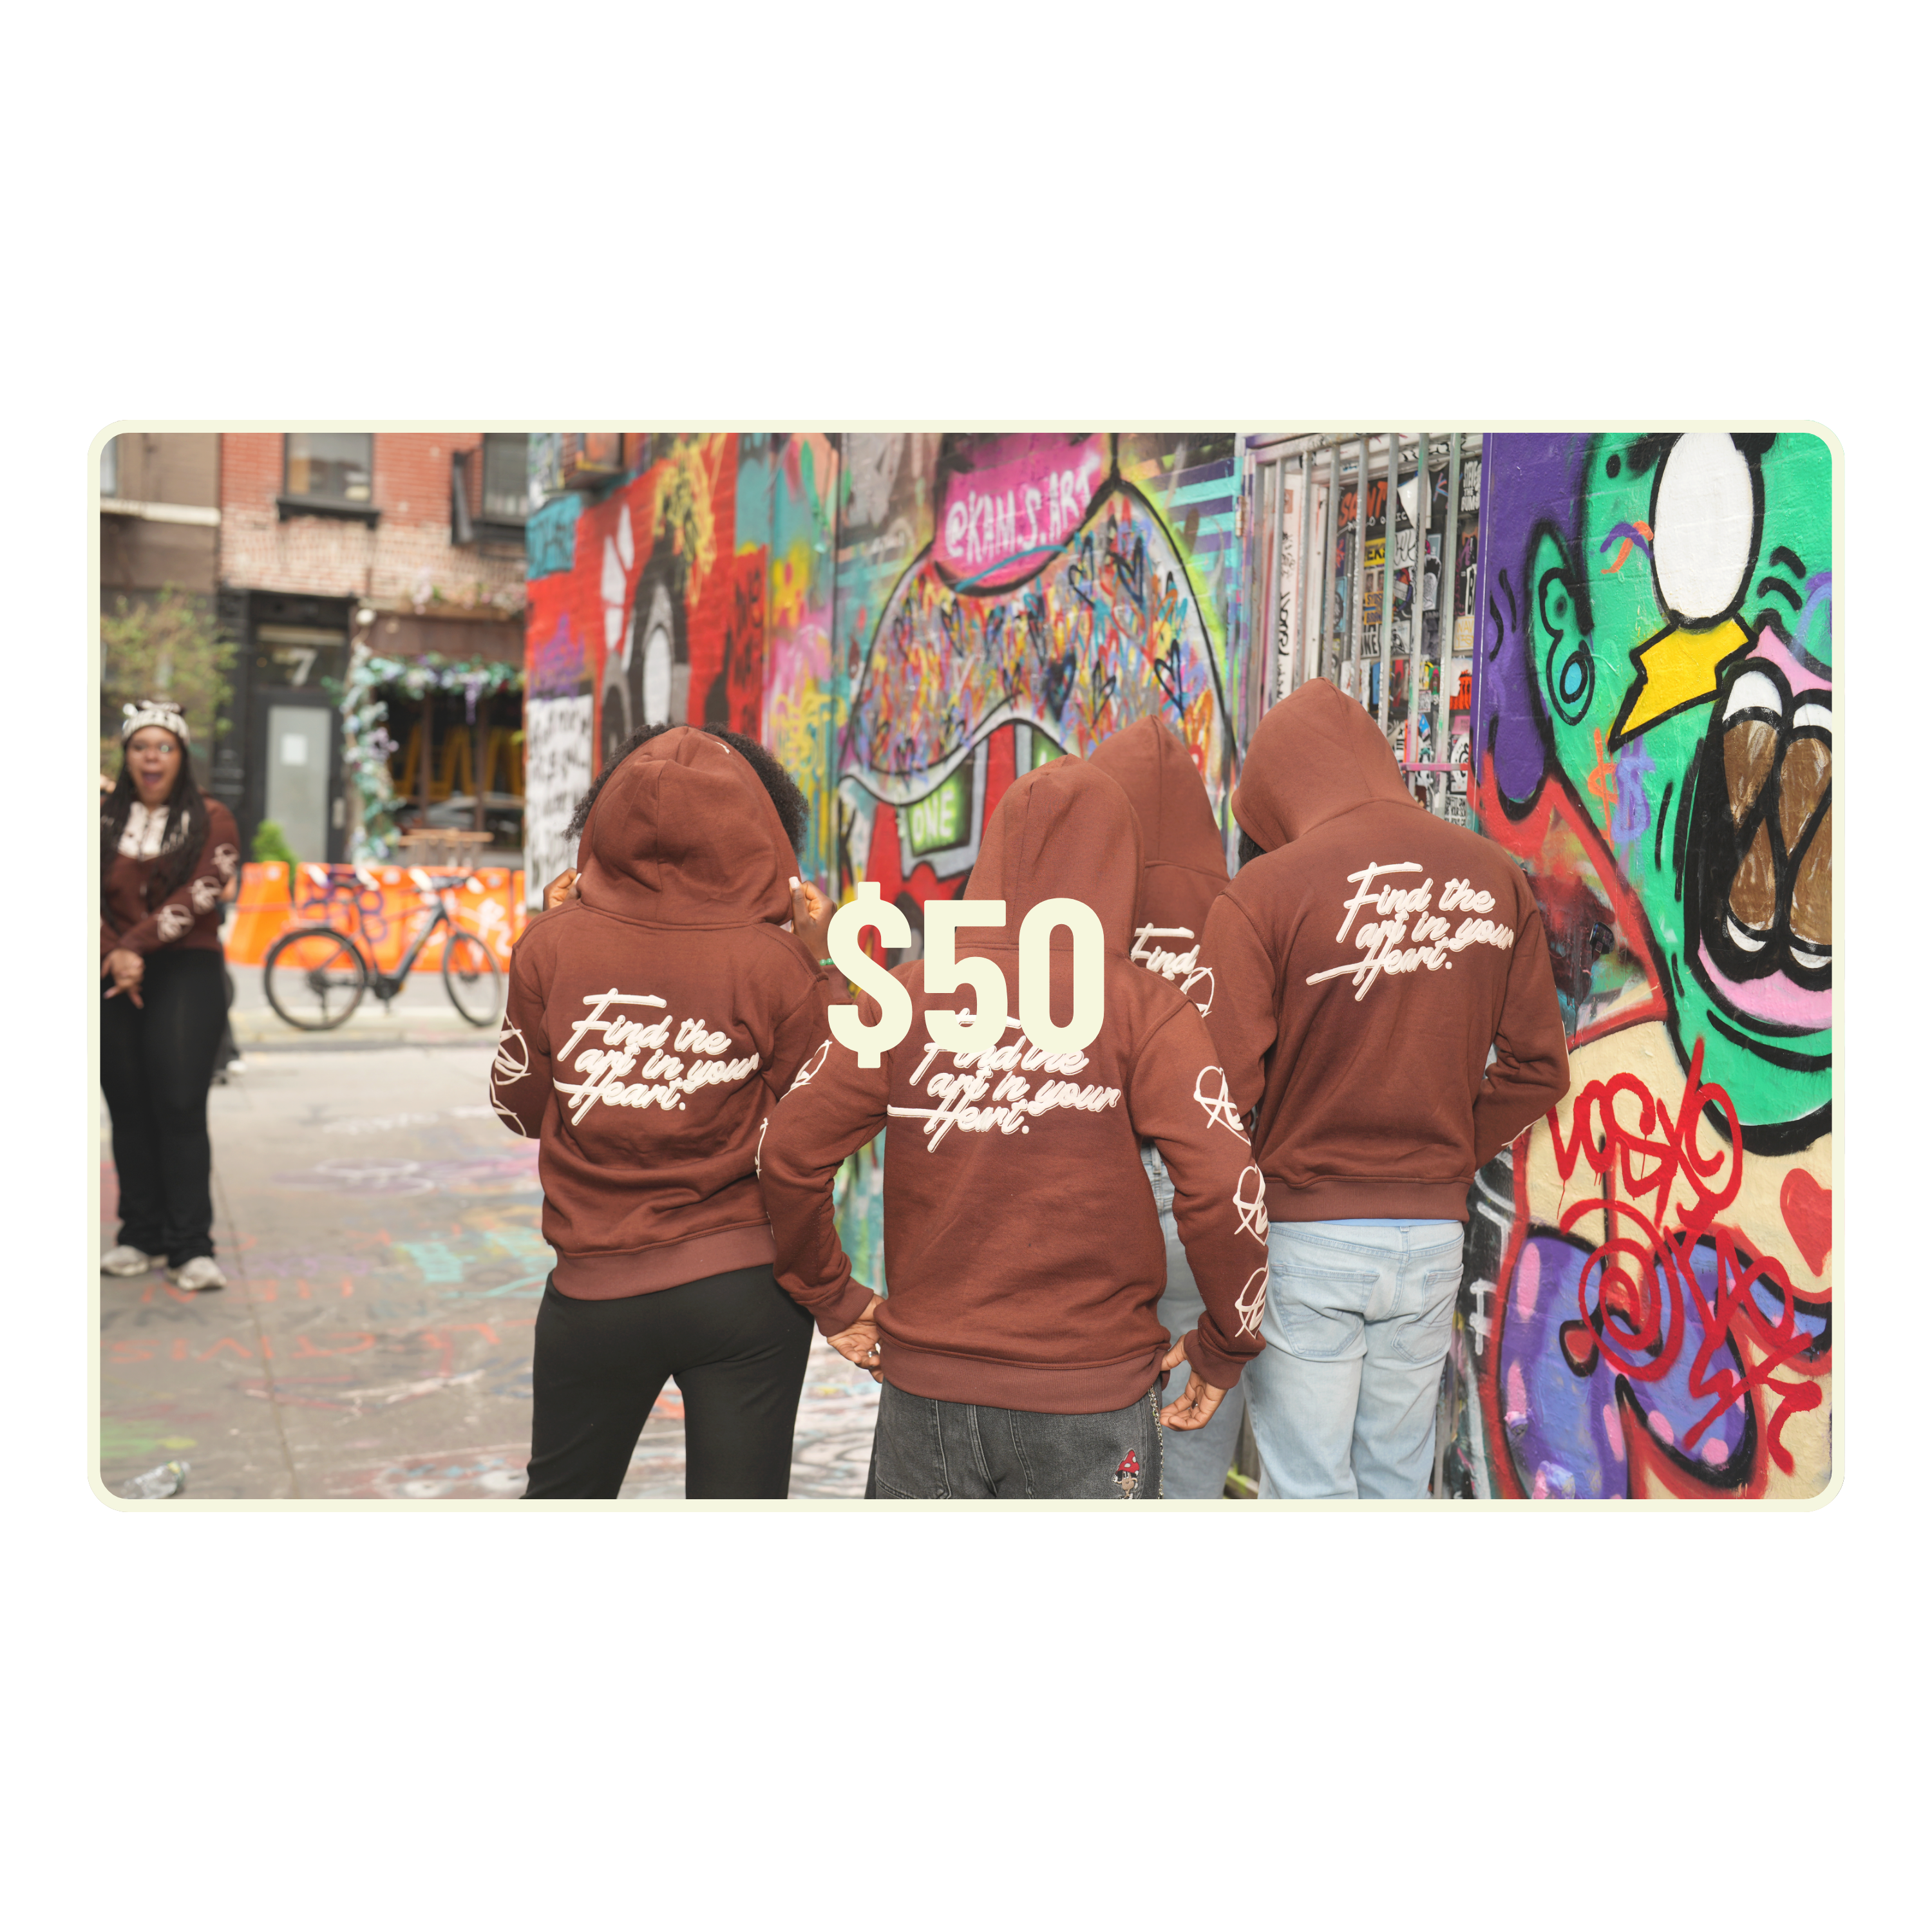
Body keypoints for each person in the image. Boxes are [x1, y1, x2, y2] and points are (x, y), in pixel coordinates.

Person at [758, 755, 1269, 1500]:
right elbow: (1227, 1186)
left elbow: (787, 1151)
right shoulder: (1146, 1008)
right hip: (1091, 1400)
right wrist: (1226, 1344)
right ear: (1118, 867)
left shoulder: (904, 998)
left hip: (926, 1394)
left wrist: (829, 1294)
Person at [1198, 677, 1570, 1498]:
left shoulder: (1265, 893)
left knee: (1307, 1486)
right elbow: (1541, 1066)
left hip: (1306, 1237)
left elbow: (1215, 1089)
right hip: (1433, 1243)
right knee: (1399, 1485)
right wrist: (1443, 1157)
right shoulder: (1493, 876)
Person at [491, 723, 845, 1500]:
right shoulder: (775, 962)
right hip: (745, 1289)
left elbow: (518, 1108)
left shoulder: (549, 947)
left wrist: (546, 941)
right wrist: (823, 962)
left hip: (594, 1290)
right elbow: (827, 1114)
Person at [1087, 714, 1251, 1499]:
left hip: (1095, 1192)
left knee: (1086, 1425)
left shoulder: (1070, 917)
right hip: (1203, 1186)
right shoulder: (1241, 909)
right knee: (1193, 1418)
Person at [99, 701, 243, 1291]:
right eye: (140, 746)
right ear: (126, 756)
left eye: (163, 747)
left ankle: (191, 1246)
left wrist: (131, 946)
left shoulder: (213, 818)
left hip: (186, 969)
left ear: (181, 757)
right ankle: (140, 1234)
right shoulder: (103, 819)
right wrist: (115, 953)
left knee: (180, 1105)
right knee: (126, 1105)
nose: (150, 757)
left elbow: (202, 890)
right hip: (112, 969)